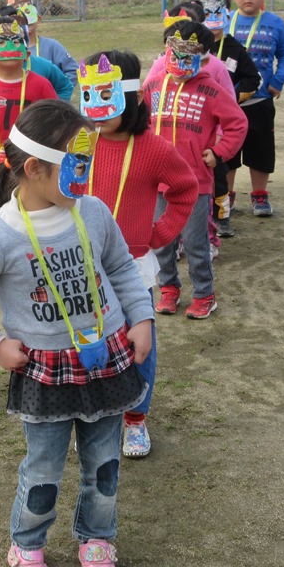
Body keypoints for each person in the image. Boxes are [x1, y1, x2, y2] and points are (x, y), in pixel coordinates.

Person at [0, 100, 154, 567]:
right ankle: (28, 544)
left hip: (106, 359)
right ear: (33, 169)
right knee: (44, 466)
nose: (86, 175)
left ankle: (97, 540)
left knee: (104, 461)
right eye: (76, 165)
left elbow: (121, 267)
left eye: (88, 162)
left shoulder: (94, 211)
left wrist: (141, 318)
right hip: (44, 370)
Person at [79, 50, 197, 457]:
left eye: (105, 98)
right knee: (85, 341)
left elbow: (186, 189)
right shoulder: (78, 142)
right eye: (88, 98)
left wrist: (161, 233)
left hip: (132, 267)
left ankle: (135, 420)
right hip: (80, 266)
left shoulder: (154, 148)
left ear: (130, 98)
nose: (95, 110)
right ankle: (91, 412)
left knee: (137, 343)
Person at [143, 18, 247, 319]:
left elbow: (237, 123)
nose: (179, 62)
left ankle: (204, 294)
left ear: (203, 57)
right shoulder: (154, 84)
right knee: (161, 239)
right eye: (173, 54)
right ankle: (169, 289)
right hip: (159, 181)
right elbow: (140, 118)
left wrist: (219, 152)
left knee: (195, 242)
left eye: (188, 56)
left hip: (195, 182)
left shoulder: (211, 90)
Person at [0, 17, 58, 305]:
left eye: (16, 41)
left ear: (27, 51)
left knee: (36, 222)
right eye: (0, 42)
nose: (9, 48)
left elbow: (56, 120)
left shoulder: (40, 85)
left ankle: (40, 278)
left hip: (31, 172)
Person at [227, 0, 284, 216]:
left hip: (259, 101)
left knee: (261, 150)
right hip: (226, 102)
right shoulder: (223, 22)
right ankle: (226, 196)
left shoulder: (275, 23)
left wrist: (277, 81)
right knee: (226, 152)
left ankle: (259, 196)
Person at [197, 0, 262, 238]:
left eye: (217, 11)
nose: (212, 17)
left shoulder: (234, 49)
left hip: (220, 129)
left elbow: (252, 80)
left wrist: (228, 99)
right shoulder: (188, 49)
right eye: (206, 12)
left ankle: (222, 217)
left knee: (219, 174)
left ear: (226, 12)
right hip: (191, 123)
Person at [7, 0, 79, 90]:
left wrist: (57, 94)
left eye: (28, 13)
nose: (24, 20)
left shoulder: (52, 46)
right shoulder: (4, 50)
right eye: (17, 15)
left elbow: (73, 71)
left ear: (38, 19)